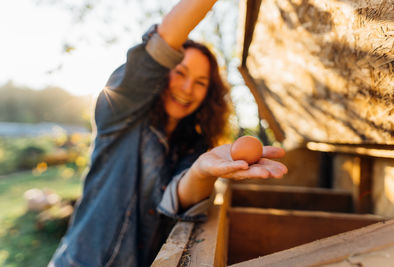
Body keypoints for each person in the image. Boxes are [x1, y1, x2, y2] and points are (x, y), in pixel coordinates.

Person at [49, 0, 288, 266]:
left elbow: (175, 198)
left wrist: (201, 171)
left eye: (200, 83)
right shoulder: (121, 113)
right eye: (180, 73)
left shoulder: (192, 143)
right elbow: (160, 46)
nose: (187, 88)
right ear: (162, 74)